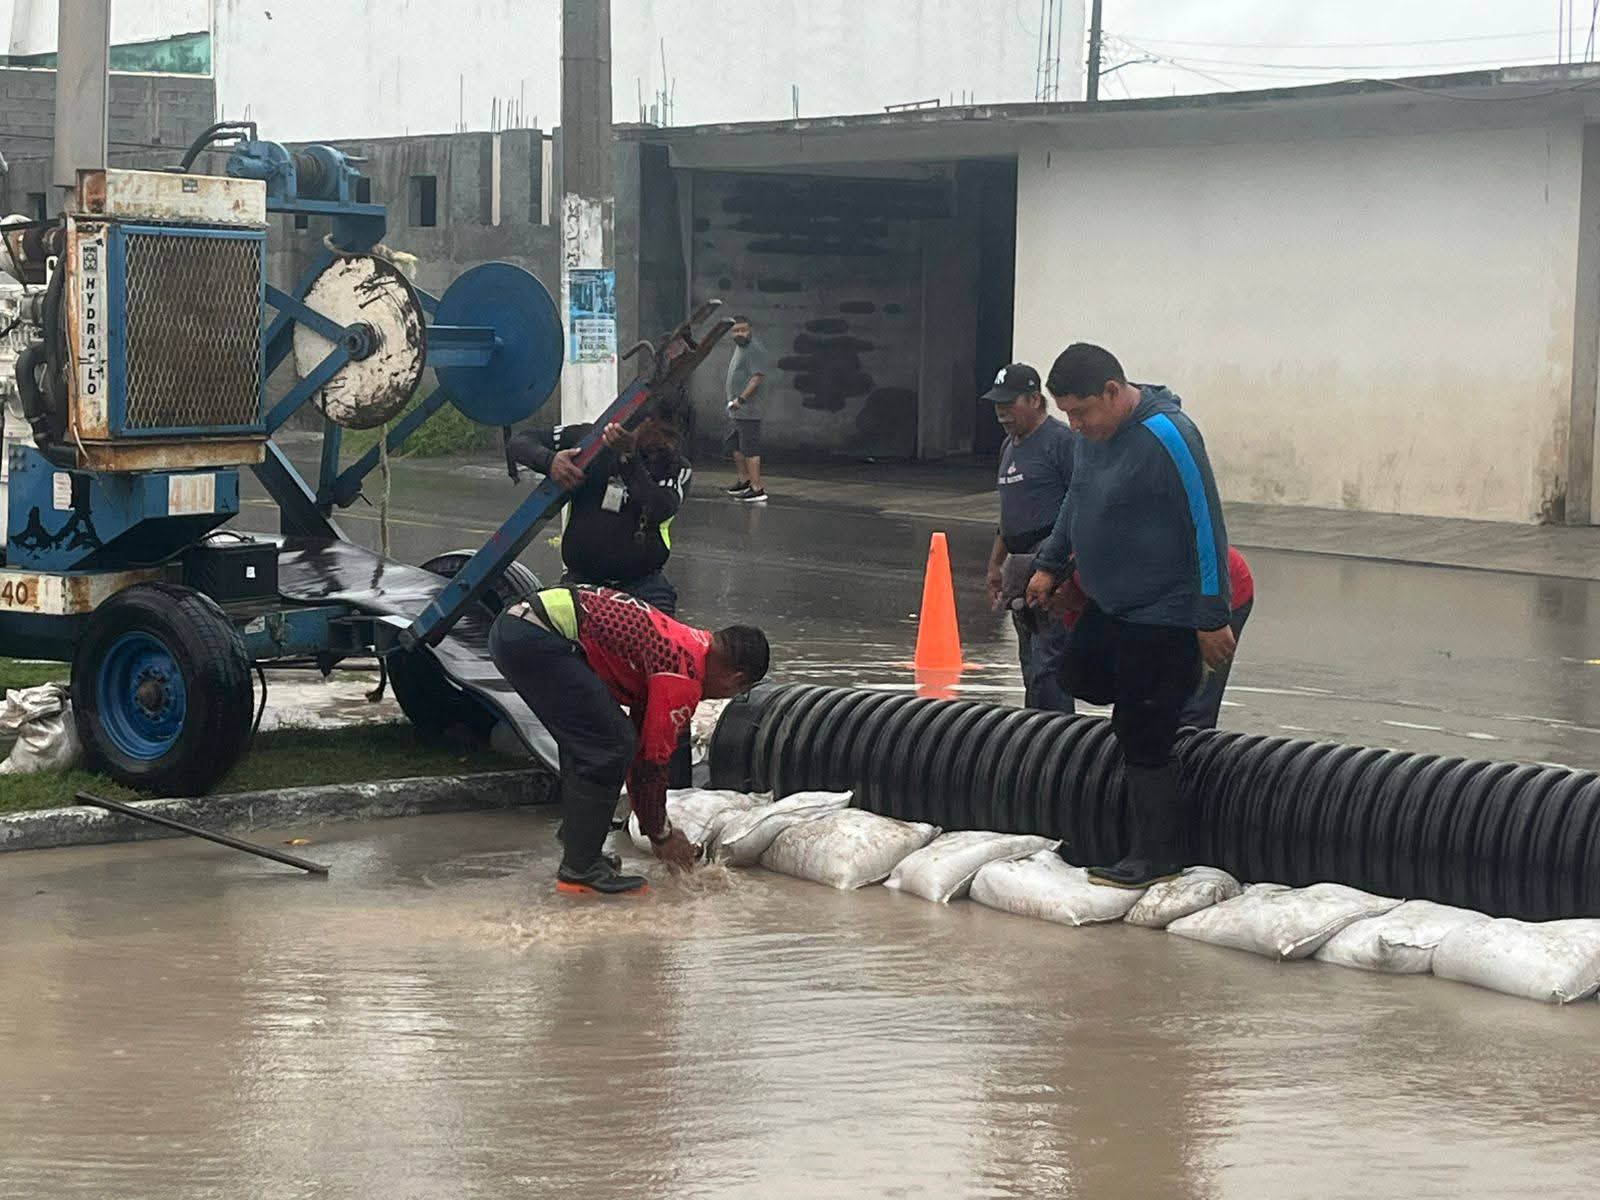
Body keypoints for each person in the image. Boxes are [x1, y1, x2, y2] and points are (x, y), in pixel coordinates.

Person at [1025, 343, 1234, 889]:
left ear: (1114, 392)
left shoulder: (1170, 436)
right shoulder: (1091, 438)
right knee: (1078, 675)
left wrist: (1211, 617)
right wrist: (1050, 564)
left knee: (1142, 726)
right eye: (1066, 412)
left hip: (1169, 609)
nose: (1074, 423)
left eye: (1082, 411)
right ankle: (1151, 758)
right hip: (1115, 604)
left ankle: (1156, 856)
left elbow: (1206, 524)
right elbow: (1077, 498)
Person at [489, 584, 770, 895]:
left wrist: (654, 826)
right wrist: (661, 836)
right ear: (736, 679)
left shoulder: (684, 642)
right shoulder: (682, 675)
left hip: (522, 626)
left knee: (598, 740)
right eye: (734, 693)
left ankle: (580, 846)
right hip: (535, 636)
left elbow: (641, 752)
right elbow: (651, 764)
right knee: (610, 745)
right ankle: (580, 870)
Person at [506, 396, 693, 615]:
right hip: (582, 580)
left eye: (675, 438)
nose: (668, 444)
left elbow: (659, 507)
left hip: (643, 585)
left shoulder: (676, 466)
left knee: (664, 642)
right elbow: (519, 442)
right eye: (664, 433)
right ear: (642, 421)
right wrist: (551, 461)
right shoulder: (590, 440)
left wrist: (628, 458)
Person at [982, 362, 1077, 712]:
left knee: (1048, 662)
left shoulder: (1061, 442)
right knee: (1029, 661)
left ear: (1035, 400)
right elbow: (1009, 517)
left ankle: (1055, 739)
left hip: (1050, 560)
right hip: (1019, 564)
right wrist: (995, 565)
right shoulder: (1009, 446)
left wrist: (1064, 566)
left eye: (1010, 403)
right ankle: (1033, 737)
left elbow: (1081, 502)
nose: (1001, 412)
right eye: (997, 404)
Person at [1180, 547, 1254, 729]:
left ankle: (1193, 745)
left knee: (1195, 708)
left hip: (1224, 594)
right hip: (1168, 598)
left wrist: (1211, 620)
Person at [721, 315, 771, 504]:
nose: (739, 333)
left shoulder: (754, 349)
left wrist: (741, 399)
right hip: (736, 410)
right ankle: (744, 482)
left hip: (748, 409)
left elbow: (757, 378)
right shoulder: (740, 348)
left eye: (743, 330)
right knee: (735, 446)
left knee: (750, 448)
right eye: (736, 330)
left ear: (750, 330)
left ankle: (757, 488)